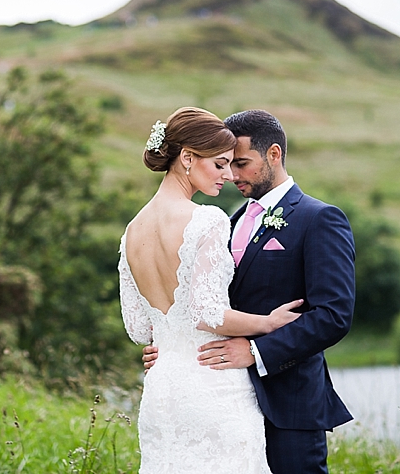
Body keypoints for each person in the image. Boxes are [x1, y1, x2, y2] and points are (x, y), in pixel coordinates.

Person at [142, 109, 356, 474]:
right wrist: (176, 345)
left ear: (274, 154)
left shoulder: (319, 218)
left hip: (287, 403)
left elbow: (333, 316)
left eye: (241, 163)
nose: (231, 176)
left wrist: (256, 352)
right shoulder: (228, 220)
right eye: (225, 164)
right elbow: (204, 301)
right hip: (221, 402)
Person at [119, 107, 305, 473]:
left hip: (162, 389)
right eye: (219, 164)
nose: (227, 174)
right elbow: (208, 314)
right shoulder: (206, 219)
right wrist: (267, 323)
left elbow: (138, 329)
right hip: (211, 384)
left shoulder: (131, 231)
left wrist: (171, 344)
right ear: (187, 158)